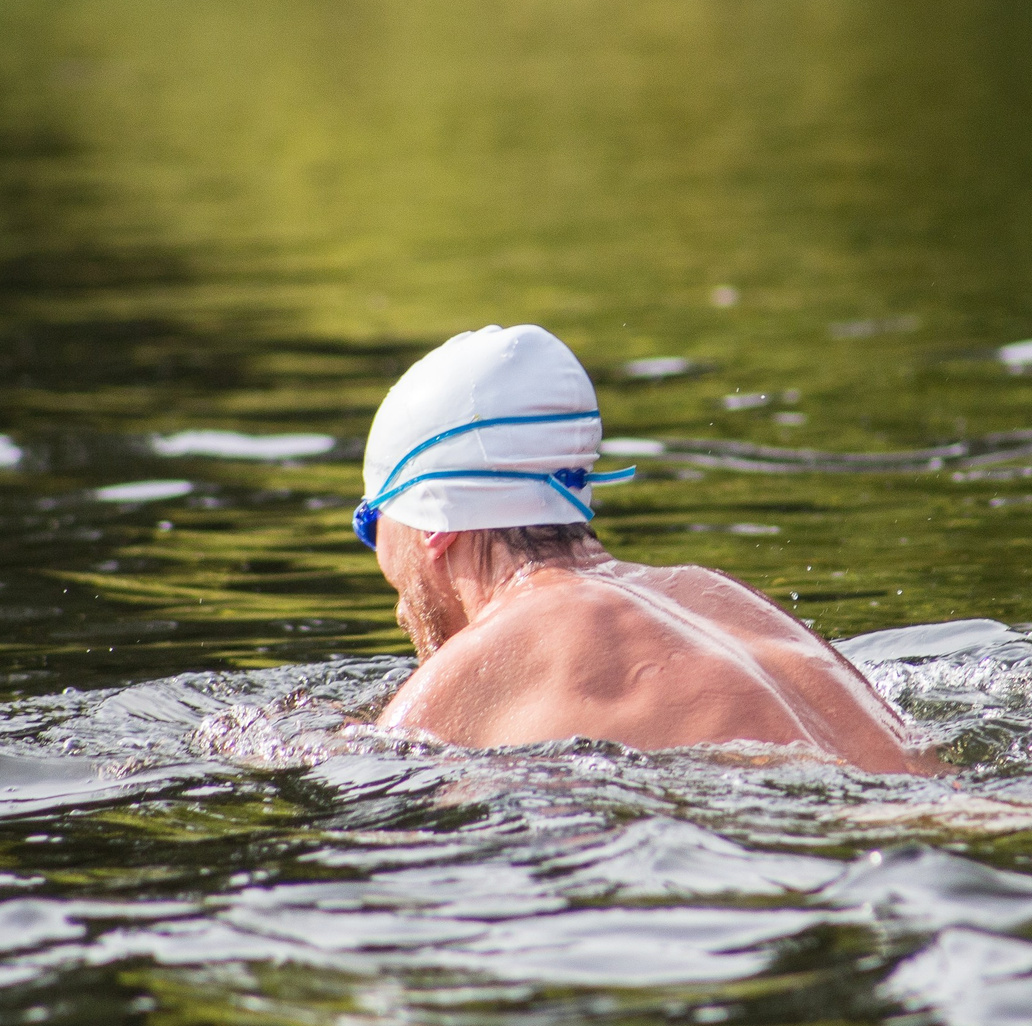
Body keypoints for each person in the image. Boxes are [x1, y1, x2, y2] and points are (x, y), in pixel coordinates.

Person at [354, 324, 925, 773]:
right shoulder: (714, 594)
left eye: (372, 524)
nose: (400, 606)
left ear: (433, 521)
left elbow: (368, 783)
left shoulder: (475, 669)